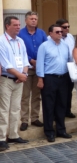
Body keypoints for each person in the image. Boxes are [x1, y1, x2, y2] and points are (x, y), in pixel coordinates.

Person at [36, 24, 72, 142]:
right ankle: (49, 132)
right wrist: (40, 79)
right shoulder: (44, 46)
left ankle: (61, 130)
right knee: (49, 105)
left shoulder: (65, 45)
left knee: (61, 104)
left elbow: (69, 61)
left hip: (63, 78)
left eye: (61, 32)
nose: (60, 34)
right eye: (57, 32)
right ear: (50, 33)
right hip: (49, 78)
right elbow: (40, 63)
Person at [0, 16, 30, 151]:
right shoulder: (2, 41)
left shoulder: (20, 41)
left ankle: (13, 134)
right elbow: (5, 64)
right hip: (6, 80)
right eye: (16, 25)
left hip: (19, 80)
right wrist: (20, 75)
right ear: (7, 26)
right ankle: (1, 138)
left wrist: (24, 74)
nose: (19, 27)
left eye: (19, 25)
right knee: (4, 109)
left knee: (15, 108)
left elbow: (25, 60)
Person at [18, 11, 47, 131]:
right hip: (26, 69)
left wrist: (40, 62)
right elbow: (19, 51)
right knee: (25, 96)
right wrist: (31, 61)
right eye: (31, 19)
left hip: (39, 70)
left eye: (35, 19)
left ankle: (34, 118)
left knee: (36, 95)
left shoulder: (41, 33)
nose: (34, 20)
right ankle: (24, 120)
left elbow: (46, 48)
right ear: (26, 20)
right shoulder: (20, 34)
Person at [55, 19, 75, 119]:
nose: (67, 29)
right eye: (64, 27)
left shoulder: (71, 37)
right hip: (59, 68)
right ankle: (59, 112)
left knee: (69, 91)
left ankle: (68, 110)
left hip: (70, 67)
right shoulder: (52, 39)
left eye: (68, 27)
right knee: (59, 92)